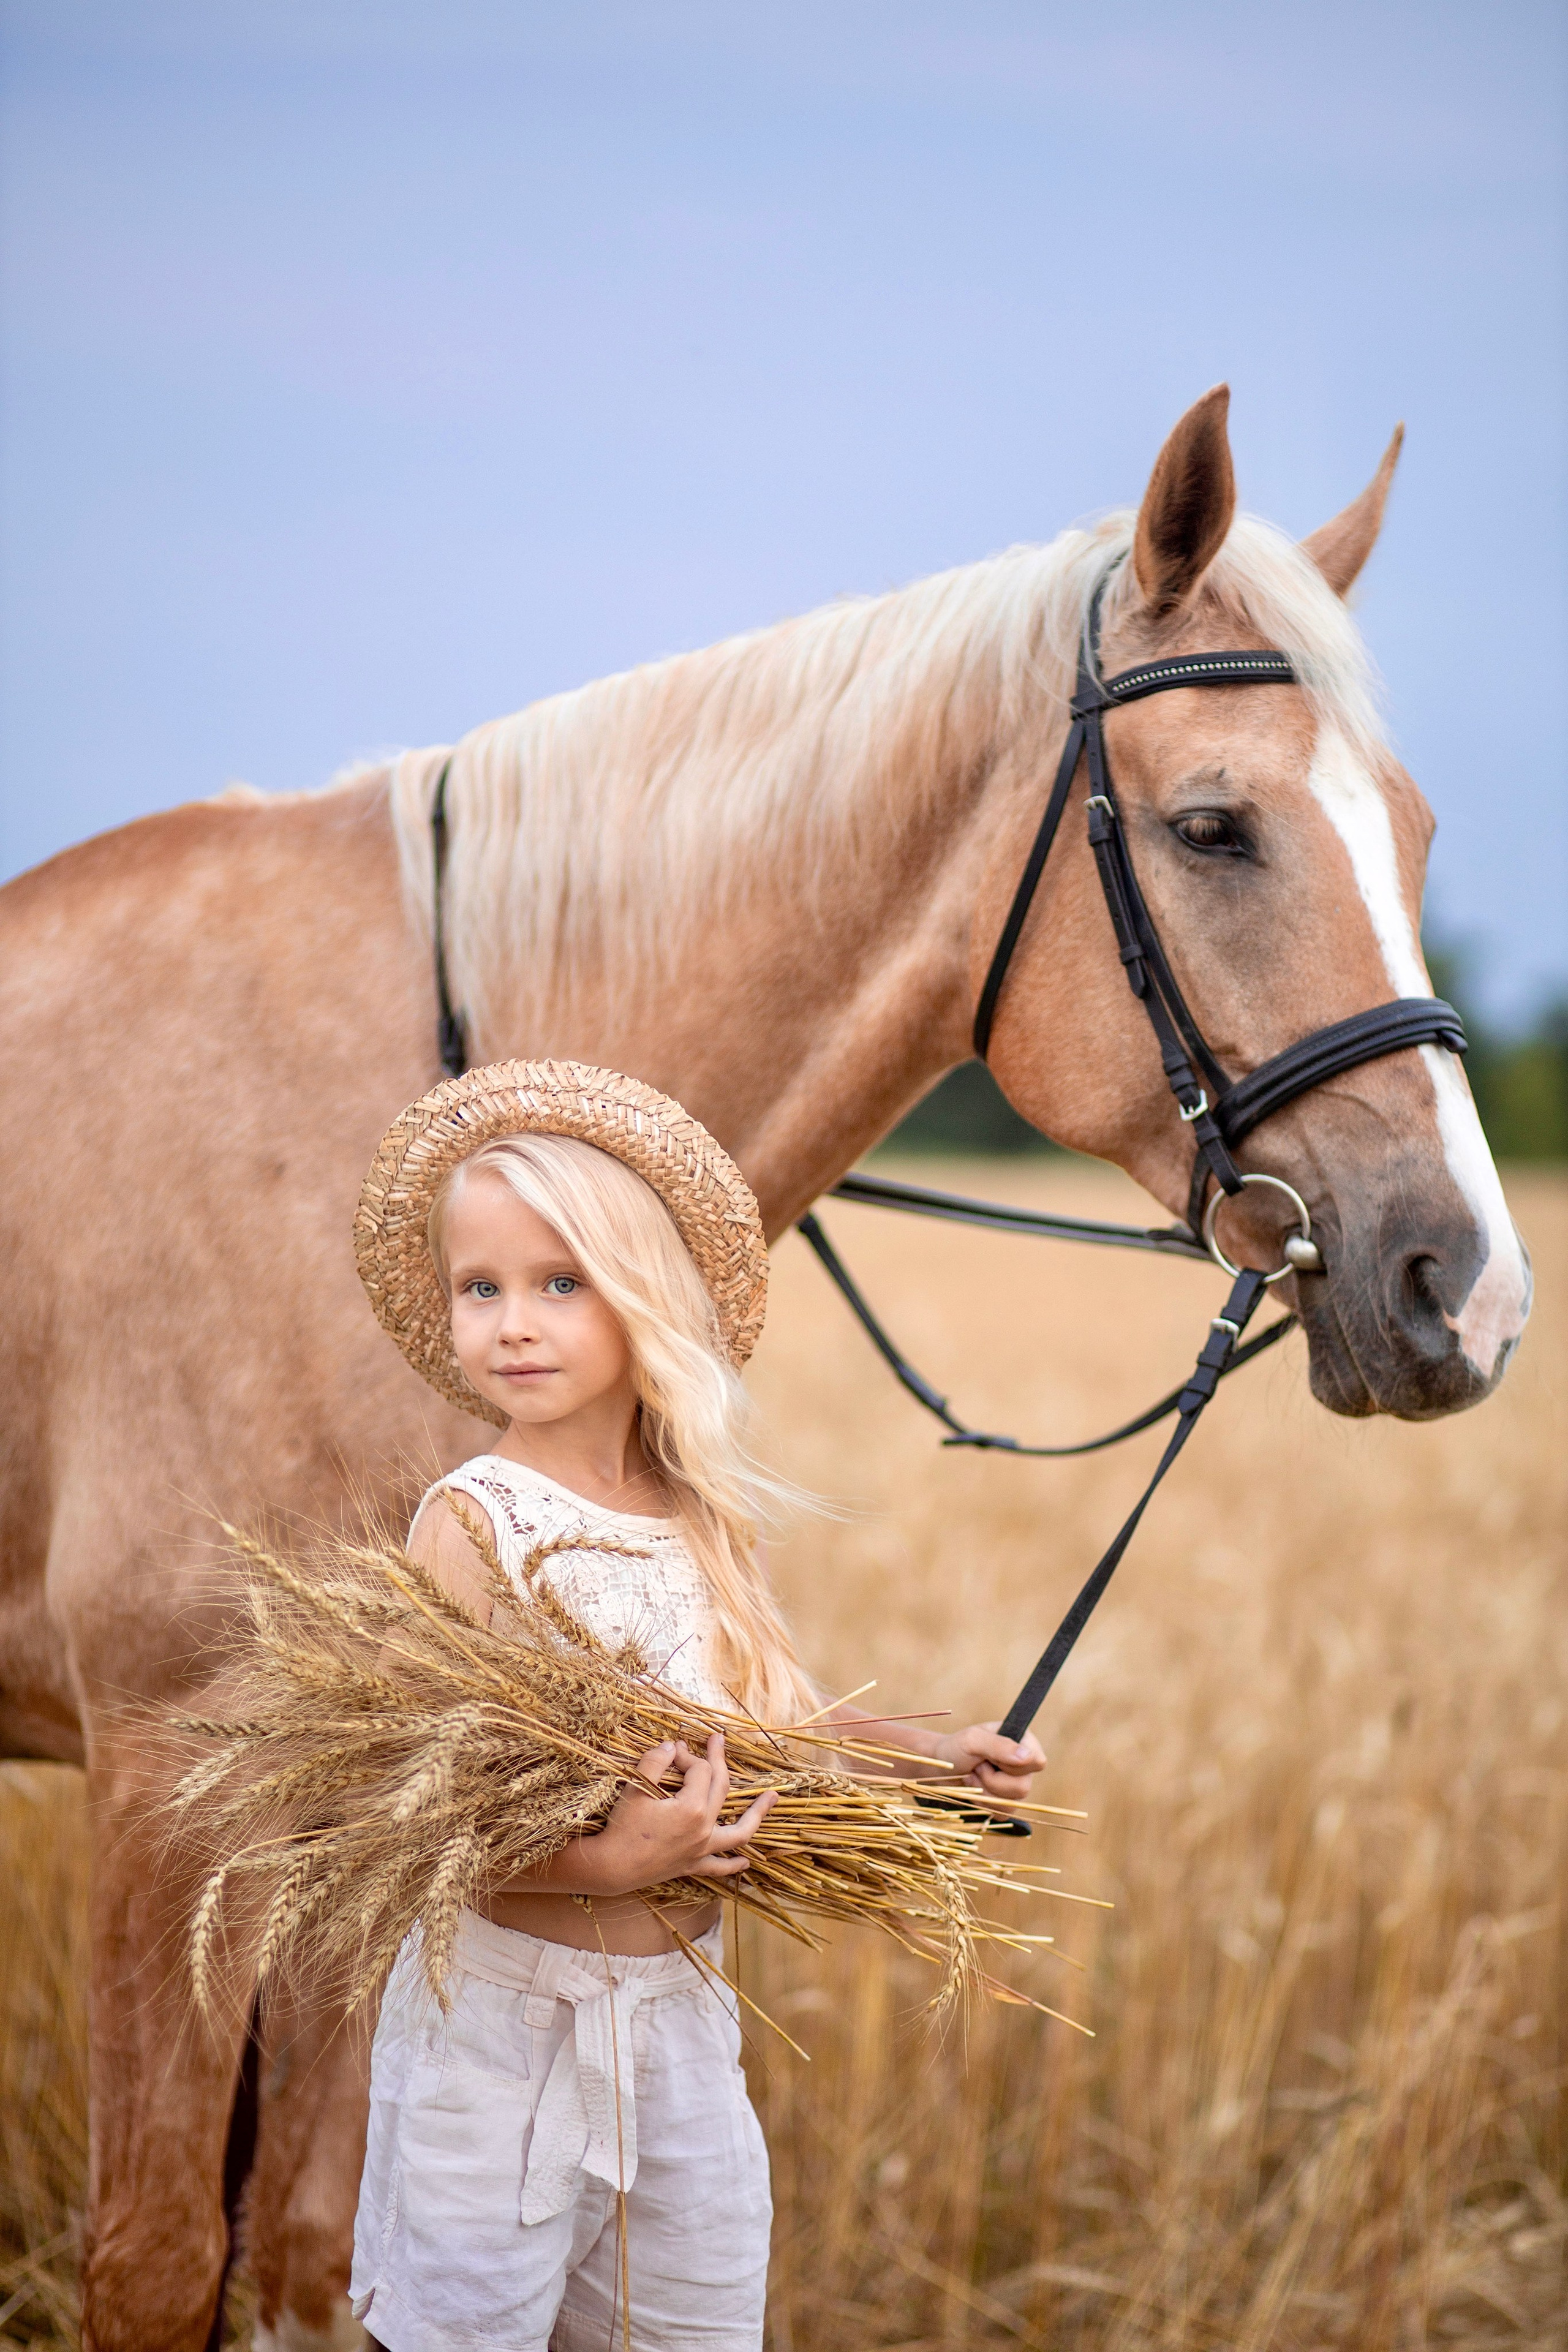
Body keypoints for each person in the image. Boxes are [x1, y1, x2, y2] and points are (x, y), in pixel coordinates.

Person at [348, 1060, 1045, 2352]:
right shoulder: (474, 1523)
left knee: (686, 2326)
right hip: (497, 2041)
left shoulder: (701, 1524)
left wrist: (926, 1757)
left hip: (677, 2037)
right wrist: (612, 1861)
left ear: (642, 1298)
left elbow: (775, 1731)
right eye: (479, 1288)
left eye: (560, 1283)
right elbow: (415, 1828)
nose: (513, 1320)